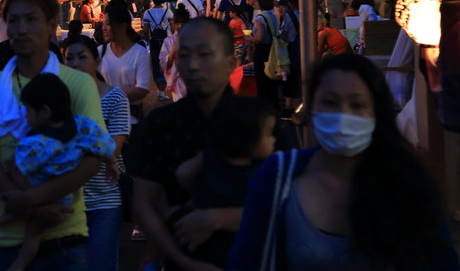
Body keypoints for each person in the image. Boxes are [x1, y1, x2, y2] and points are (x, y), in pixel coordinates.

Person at [228, 54, 460, 271]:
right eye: (330, 102)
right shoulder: (278, 175)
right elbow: (246, 261)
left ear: (376, 114)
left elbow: (442, 262)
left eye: (357, 105)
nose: (342, 115)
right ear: (312, 109)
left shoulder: (411, 181)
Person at [0, 0, 105, 271]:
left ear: (51, 22)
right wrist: (38, 208)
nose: (21, 28)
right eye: (13, 20)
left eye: (31, 19)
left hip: (66, 235)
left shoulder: (78, 84)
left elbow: (93, 159)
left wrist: (28, 199)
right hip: (9, 240)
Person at [133, 17, 243, 271]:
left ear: (231, 64)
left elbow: (278, 203)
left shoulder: (259, 121)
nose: (193, 65)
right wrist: (181, 260)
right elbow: (144, 204)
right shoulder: (160, 123)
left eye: (205, 54)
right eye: (185, 55)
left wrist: (216, 219)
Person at [2, 73, 116, 271]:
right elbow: (104, 143)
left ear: (45, 112)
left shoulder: (37, 142)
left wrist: (10, 161)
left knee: (33, 230)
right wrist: (112, 164)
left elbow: (22, 166)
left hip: (42, 193)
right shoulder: (82, 125)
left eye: (28, 109)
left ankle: (19, 263)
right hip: (65, 195)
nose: (25, 114)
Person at [167, 95, 276, 269]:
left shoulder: (209, 157)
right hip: (238, 241)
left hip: (196, 235)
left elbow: (182, 174)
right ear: (250, 140)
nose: (274, 140)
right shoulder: (262, 171)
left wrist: (197, 191)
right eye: (269, 134)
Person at [63, 34, 131, 271]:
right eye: (69, 58)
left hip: (105, 200)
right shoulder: (58, 101)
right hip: (65, 201)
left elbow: (113, 148)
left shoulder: (115, 97)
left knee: (101, 265)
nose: (74, 64)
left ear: (96, 60)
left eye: (82, 57)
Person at [245, 0, 282, 111]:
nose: (254, 3)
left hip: (262, 51)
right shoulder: (273, 16)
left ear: (260, 2)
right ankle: (274, 109)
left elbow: (259, 38)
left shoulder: (260, 18)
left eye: (256, 1)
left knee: (262, 83)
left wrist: (248, 37)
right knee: (271, 83)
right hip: (272, 49)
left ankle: (263, 111)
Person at [142, 0, 173, 99]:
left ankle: (159, 89)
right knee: (165, 64)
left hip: (154, 41)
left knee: (155, 65)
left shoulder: (147, 12)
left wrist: (148, 39)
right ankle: (161, 92)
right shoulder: (168, 12)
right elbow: (173, 28)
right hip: (166, 42)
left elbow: (145, 30)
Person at [158, 8, 190, 102]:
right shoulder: (168, 41)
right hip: (177, 80)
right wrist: (172, 53)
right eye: (177, 23)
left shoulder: (195, 39)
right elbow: (164, 65)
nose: (180, 26)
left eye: (183, 22)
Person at [277, 0, 302, 113]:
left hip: (291, 51)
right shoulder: (303, 13)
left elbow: (286, 37)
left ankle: (289, 108)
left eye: (283, 6)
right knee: (297, 80)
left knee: (289, 79)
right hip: (300, 50)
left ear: (290, 5)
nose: (281, 9)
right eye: (279, 7)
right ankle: (297, 109)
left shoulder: (288, 17)